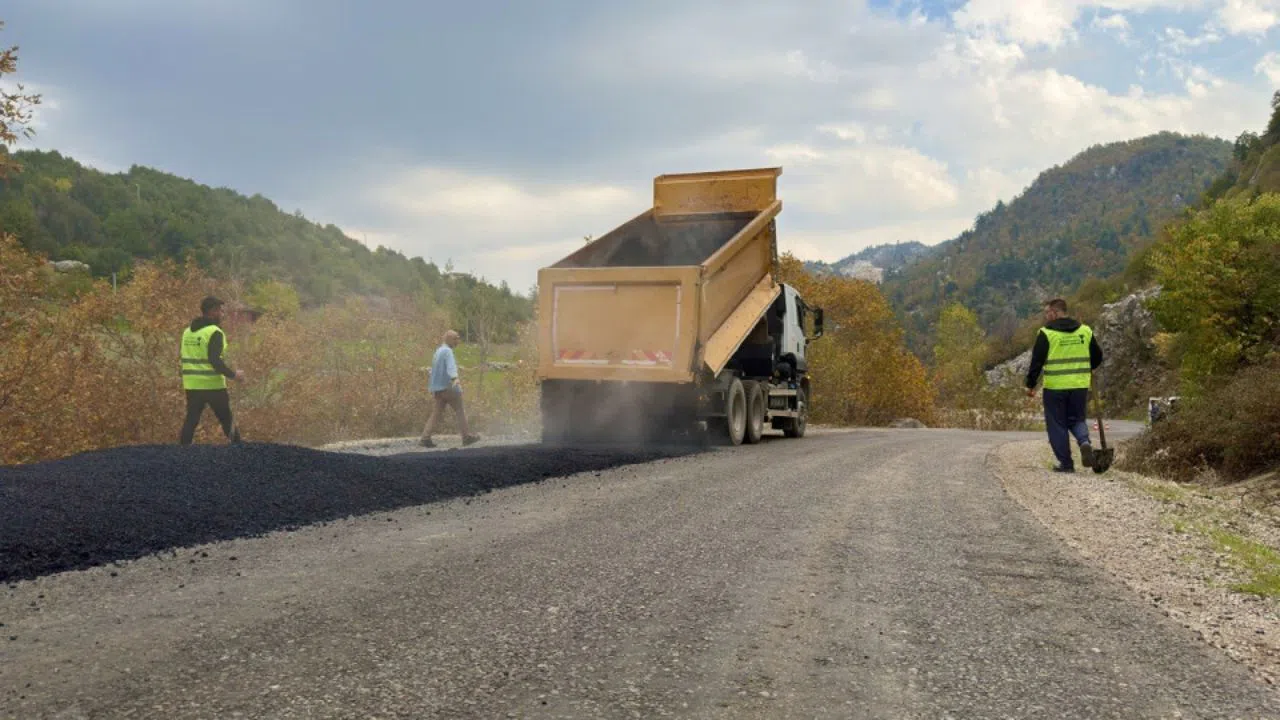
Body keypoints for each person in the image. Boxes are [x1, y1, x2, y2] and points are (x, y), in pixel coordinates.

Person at [1025, 298, 1104, 472]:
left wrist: (1030, 385)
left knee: (1057, 424)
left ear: (1054, 312)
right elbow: (1097, 357)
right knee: (1077, 419)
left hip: (1055, 388)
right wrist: (1088, 367)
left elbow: (1036, 362)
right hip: (1079, 386)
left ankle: (1066, 464)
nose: (1046, 316)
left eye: (1047, 313)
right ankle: (1084, 442)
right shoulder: (1085, 331)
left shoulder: (1046, 333)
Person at [179, 296, 245, 445]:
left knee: (191, 420)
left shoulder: (187, 332)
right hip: (213, 385)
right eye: (221, 311)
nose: (223, 314)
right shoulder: (215, 332)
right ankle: (240, 451)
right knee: (227, 420)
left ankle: (181, 453)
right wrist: (234, 375)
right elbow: (215, 360)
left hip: (192, 385)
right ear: (212, 311)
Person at [420, 329, 481, 448]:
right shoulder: (448, 352)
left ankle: (425, 438)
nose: (457, 341)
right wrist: (455, 381)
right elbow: (451, 368)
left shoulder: (438, 351)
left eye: (458, 338)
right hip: (448, 388)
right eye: (455, 338)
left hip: (437, 388)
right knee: (460, 411)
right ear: (448, 339)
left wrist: (433, 388)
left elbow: (434, 371)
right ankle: (466, 437)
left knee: (436, 414)